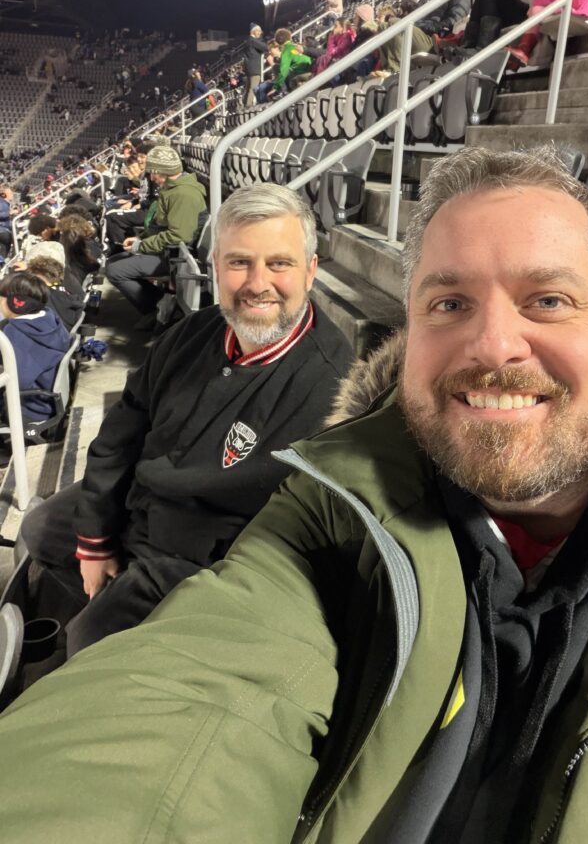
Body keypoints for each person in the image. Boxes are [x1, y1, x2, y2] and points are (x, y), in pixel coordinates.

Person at [0, 147, 588, 842]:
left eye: (548, 300)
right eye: (449, 304)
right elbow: (203, 687)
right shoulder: (339, 498)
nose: (494, 344)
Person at [19, 183, 353, 659]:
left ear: (311, 271)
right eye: (239, 262)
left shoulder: (331, 387)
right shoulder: (195, 331)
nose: (258, 283)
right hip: (142, 502)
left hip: (199, 558)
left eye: (279, 263)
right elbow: (121, 433)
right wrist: (96, 539)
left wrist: (138, 562)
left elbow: (271, 537)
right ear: (216, 268)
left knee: (87, 638)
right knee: (40, 529)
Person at [105, 143, 206, 316]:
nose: (151, 178)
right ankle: (161, 303)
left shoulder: (183, 194)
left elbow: (179, 235)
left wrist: (141, 246)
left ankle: (158, 310)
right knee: (112, 262)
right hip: (166, 251)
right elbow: (159, 226)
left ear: (165, 171)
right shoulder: (172, 190)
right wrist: (140, 239)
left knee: (115, 271)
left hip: (175, 257)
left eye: (154, 172)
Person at [0, 271, 70, 425]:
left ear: (16, 302)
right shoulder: (49, 316)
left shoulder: (16, 332)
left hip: (31, 408)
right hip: (48, 400)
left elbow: (19, 380)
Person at [270, 28, 312, 95]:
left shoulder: (286, 50)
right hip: (311, 69)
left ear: (278, 41)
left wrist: (276, 87)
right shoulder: (297, 46)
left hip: (299, 73)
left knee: (276, 67)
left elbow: (283, 71)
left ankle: (283, 92)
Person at [243, 23, 268, 108]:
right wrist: (260, 39)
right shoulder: (253, 40)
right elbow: (265, 47)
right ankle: (248, 106)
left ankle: (245, 104)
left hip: (249, 68)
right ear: (254, 31)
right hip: (255, 68)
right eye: (259, 31)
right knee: (253, 88)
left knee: (248, 87)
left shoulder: (248, 40)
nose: (260, 33)